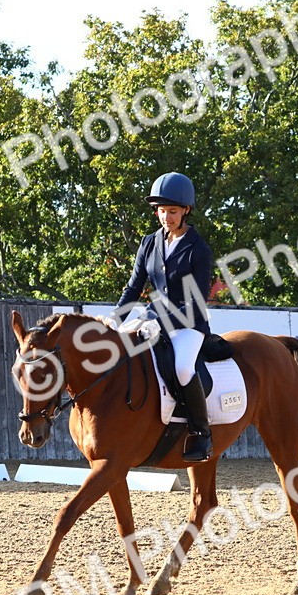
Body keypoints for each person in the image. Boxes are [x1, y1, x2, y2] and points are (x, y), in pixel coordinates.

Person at [112, 171, 214, 462]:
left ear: (186, 211)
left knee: (183, 368)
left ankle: (201, 434)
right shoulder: (149, 243)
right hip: (152, 316)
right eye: (161, 211)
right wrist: (116, 319)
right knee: (122, 352)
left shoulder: (198, 249)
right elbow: (134, 286)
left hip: (188, 323)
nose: (166, 217)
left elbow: (197, 303)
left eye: (172, 211)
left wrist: (163, 322)